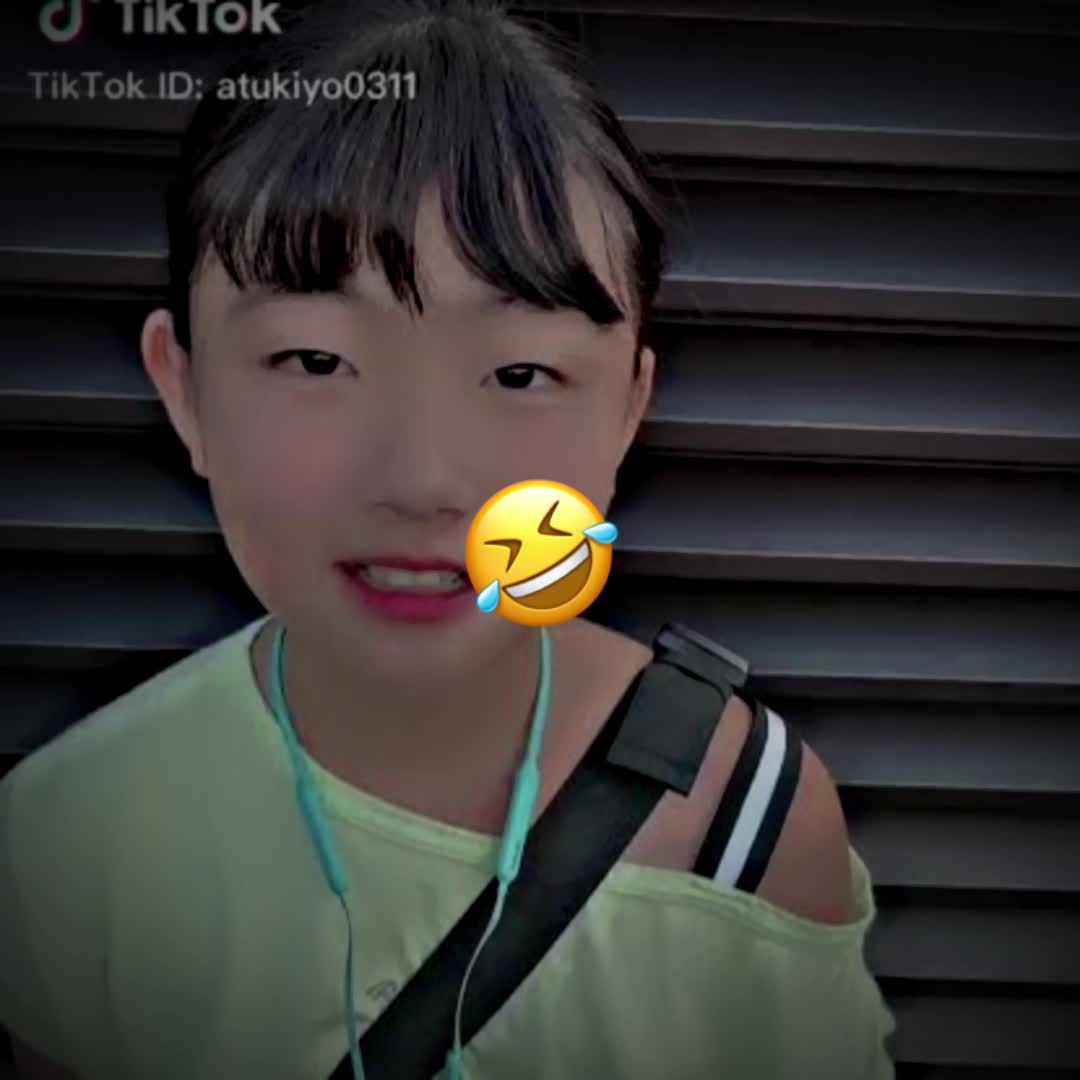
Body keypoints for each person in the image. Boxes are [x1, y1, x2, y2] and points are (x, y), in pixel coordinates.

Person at [0, 1, 896, 1076]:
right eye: (317, 362)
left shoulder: (744, 820)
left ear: (628, 411)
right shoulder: (62, 838)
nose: (424, 480)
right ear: (182, 390)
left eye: (520, 373)